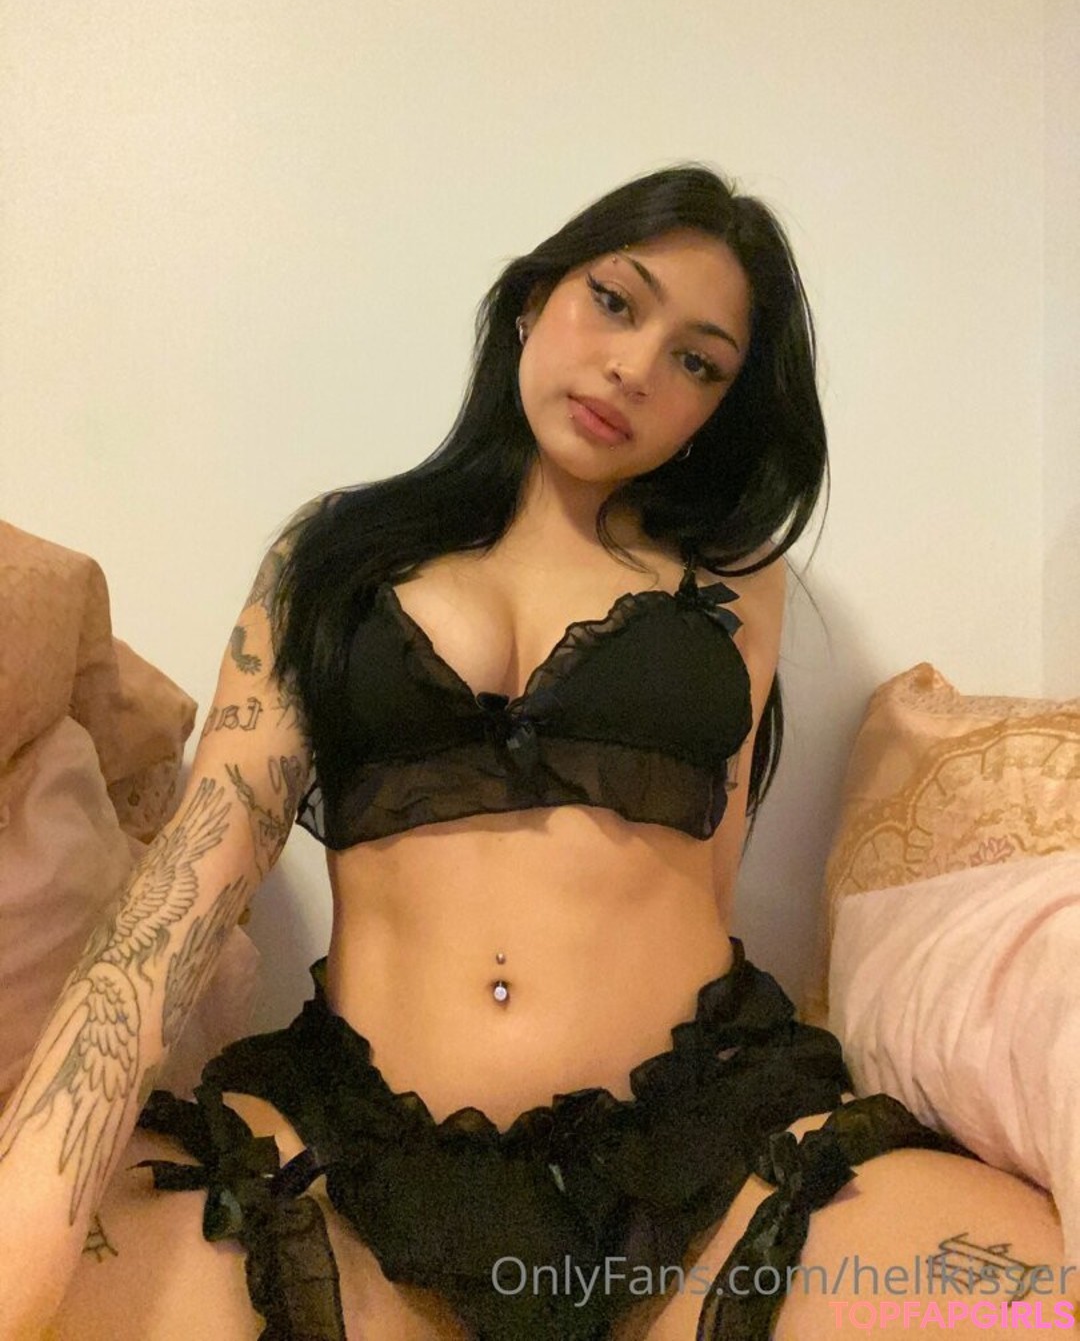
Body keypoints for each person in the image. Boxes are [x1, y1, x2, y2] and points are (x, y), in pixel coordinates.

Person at [0, 164, 1068, 1341]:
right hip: (353, 1158)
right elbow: (180, 898)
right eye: (616, 300)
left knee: (1029, 1304)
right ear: (532, 298)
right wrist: (38, 1192)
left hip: (699, 1150)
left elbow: (705, 880)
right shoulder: (336, 554)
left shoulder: (733, 585)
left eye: (698, 361)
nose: (636, 367)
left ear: (716, 410)